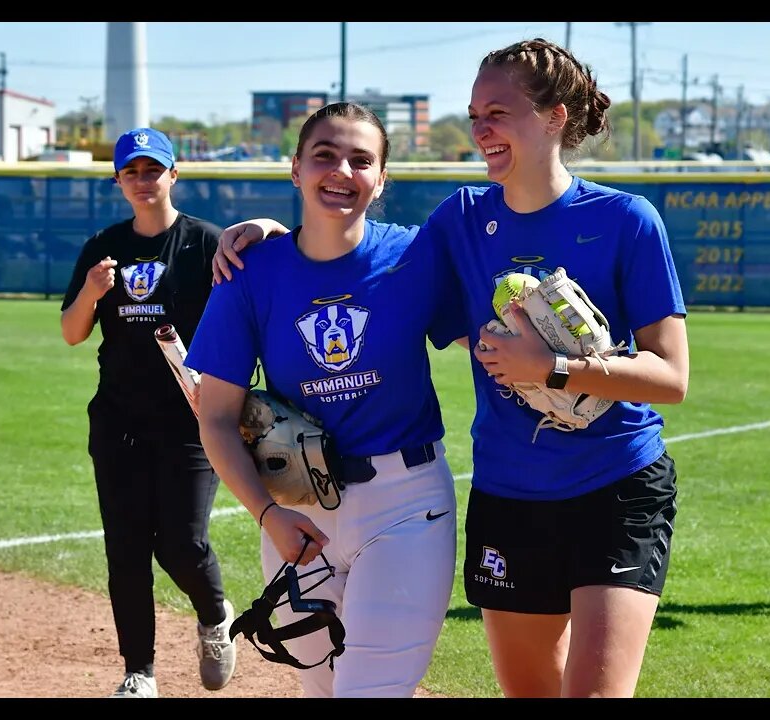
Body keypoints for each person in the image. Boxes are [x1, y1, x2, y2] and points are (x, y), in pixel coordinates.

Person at [214, 38, 690, 698]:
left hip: (616, 483)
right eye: (474, 115)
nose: (481, 130)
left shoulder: (624, 220)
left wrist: (550, 367)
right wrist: (273, 231)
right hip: (510, 492)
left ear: (554, 116)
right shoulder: (462, 220)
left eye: (498, 112)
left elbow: (672, 377)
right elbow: (355, 252)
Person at [183, 102, 465, 698]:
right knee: (321, 690)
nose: (342, 170)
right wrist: (266, 514)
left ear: (382, 179)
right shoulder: (250, 271)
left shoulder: (414, 257)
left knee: (369, 690)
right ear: (295, 169)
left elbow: (487, 341)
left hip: (406, 504)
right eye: (325, 156)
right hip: (295, 511)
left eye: (362, 160)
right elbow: (214, 417)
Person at [59, 127, 238, 698]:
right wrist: (91, 291)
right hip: (119, 421)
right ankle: (139, 672)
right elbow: (71, 332)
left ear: (173, 175)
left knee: (182, 542)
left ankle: (214, 615)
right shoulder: (103, 247)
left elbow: (244, 319)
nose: (142, 180)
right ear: (118, 181)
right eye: (131, 171)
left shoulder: (206, 243)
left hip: (192, 419)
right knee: (127, 548)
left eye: (152, 169)